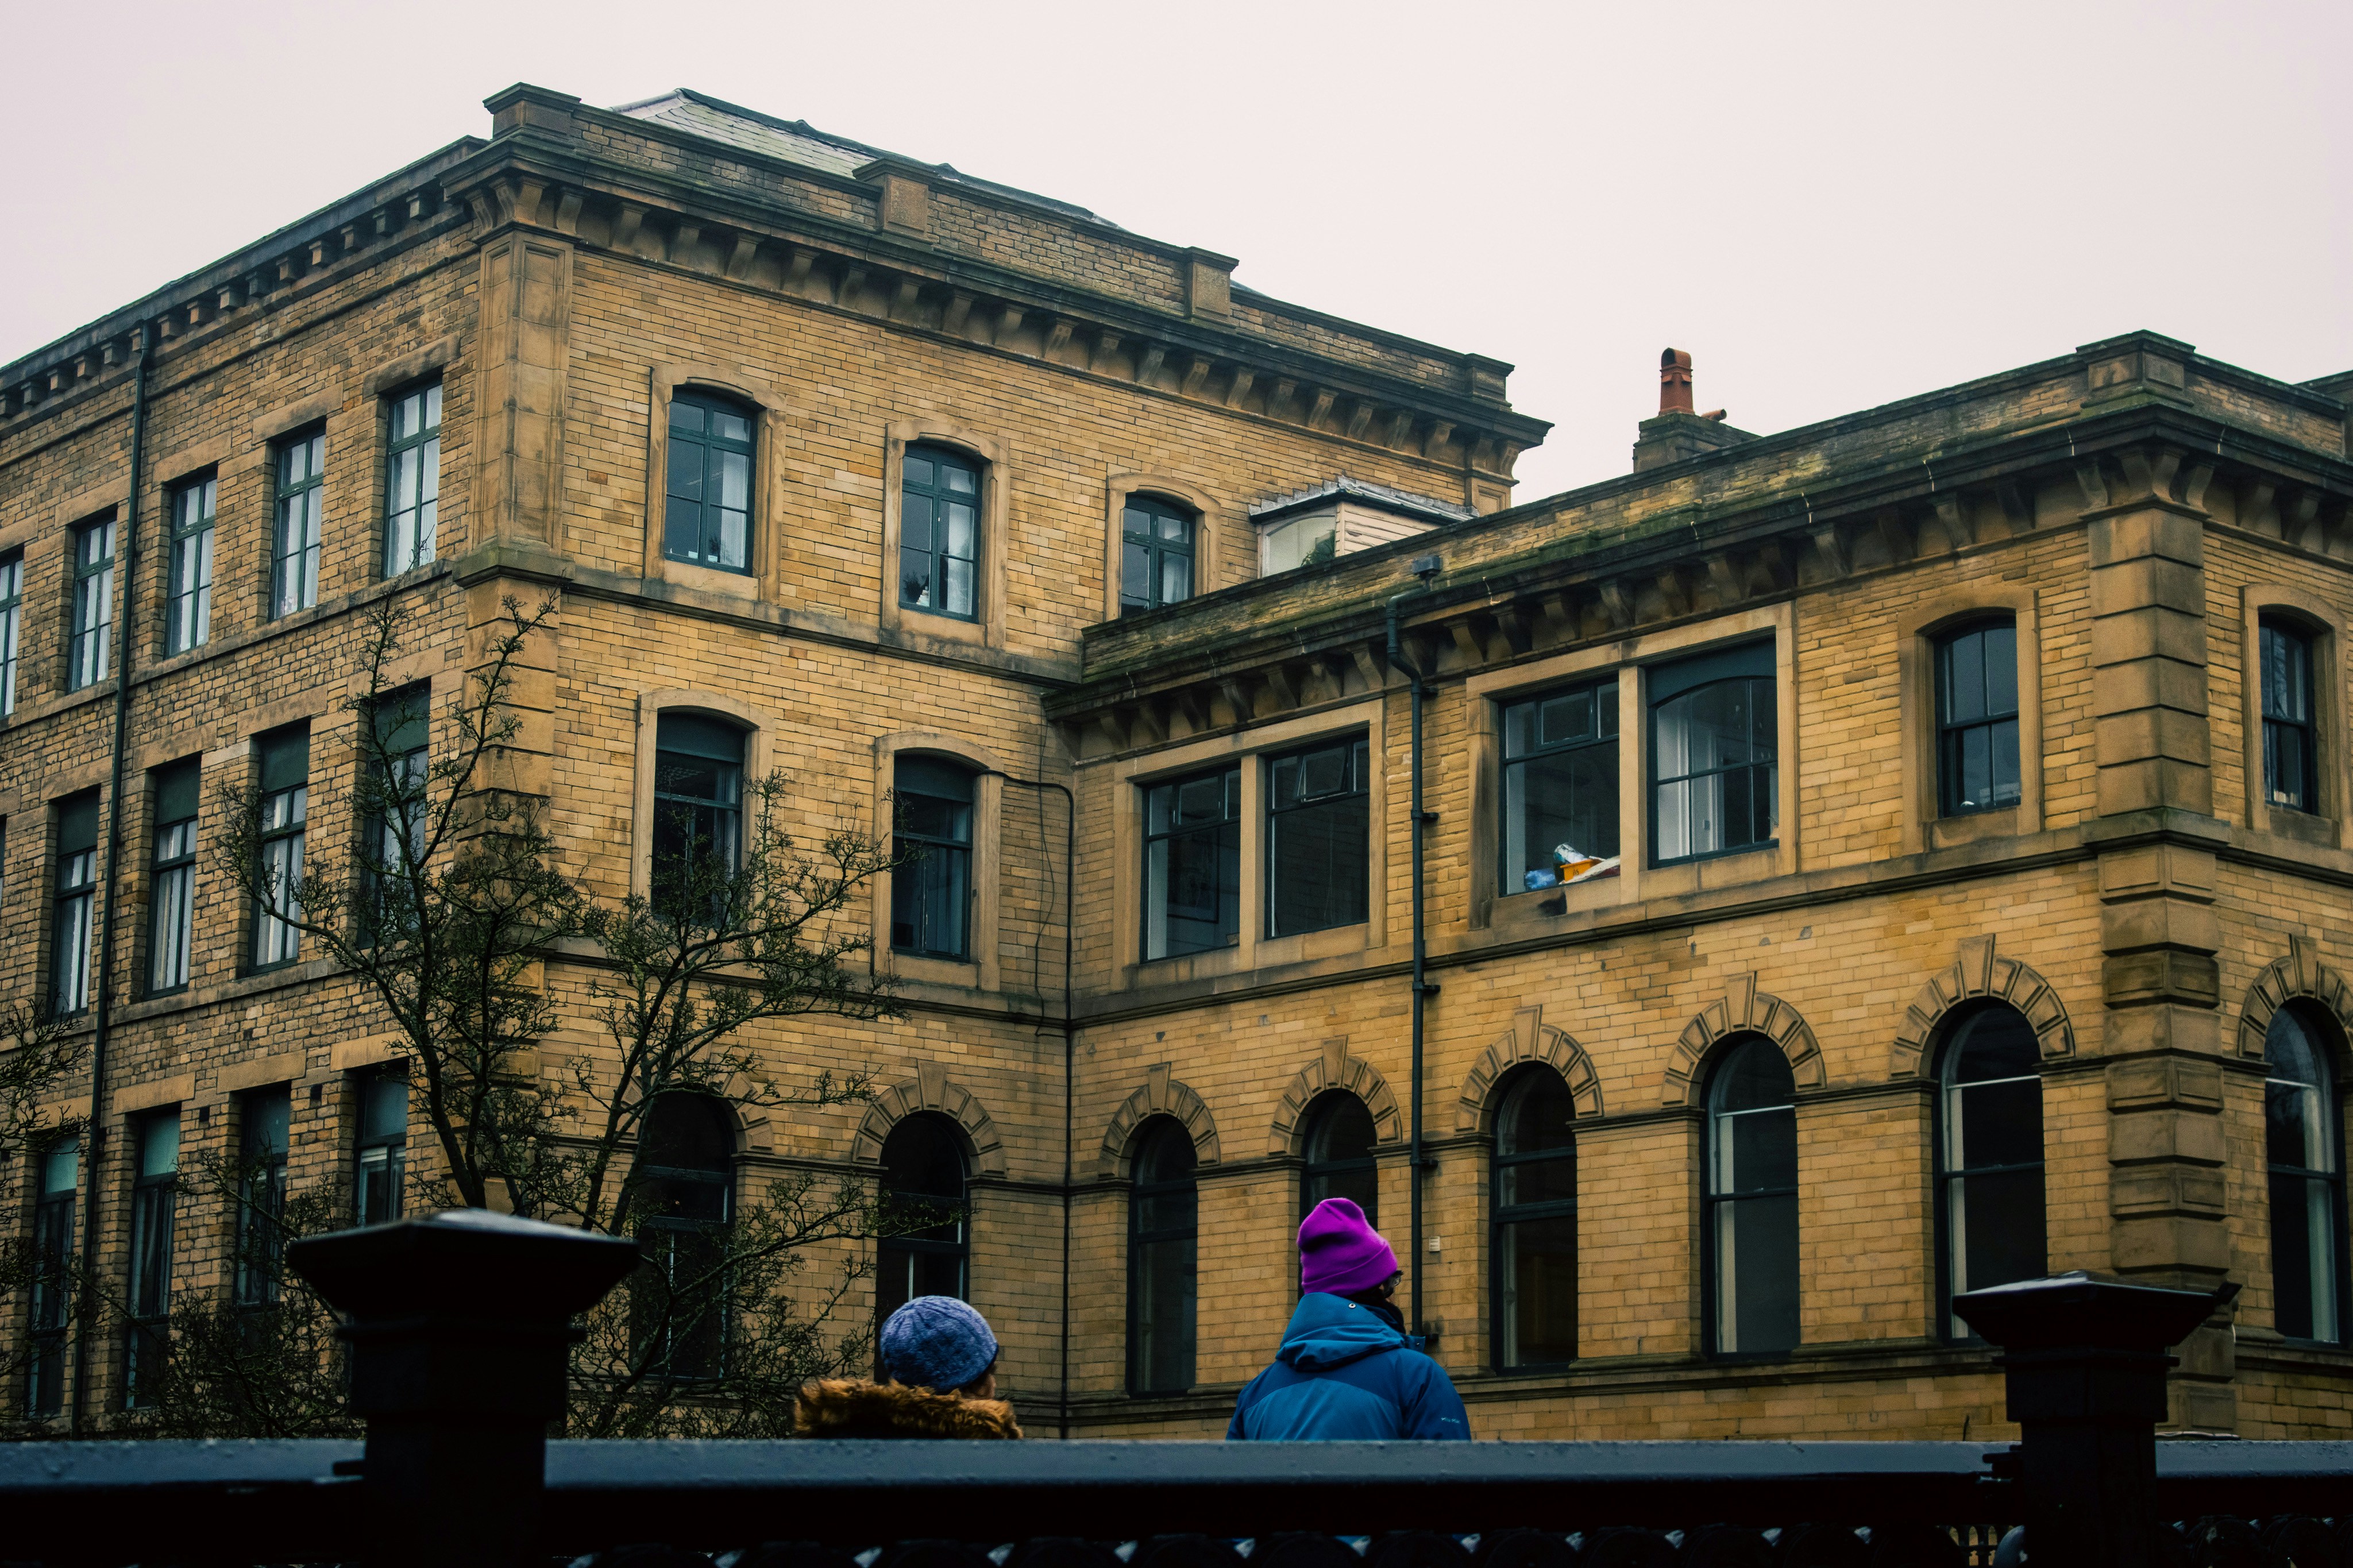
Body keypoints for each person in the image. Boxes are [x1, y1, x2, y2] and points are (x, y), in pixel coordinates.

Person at [1228, 1197, 1469, 1440]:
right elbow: (1451, 1463)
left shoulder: (1255, 1395)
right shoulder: (1416, 1377)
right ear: (1378, 1289)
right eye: (1392, 1284)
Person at [794, 1295, 1022, 1438]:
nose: (994, 1385)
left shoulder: (838, 1434)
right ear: (975, 1383)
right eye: (991, 1372)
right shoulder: (991, 1454)